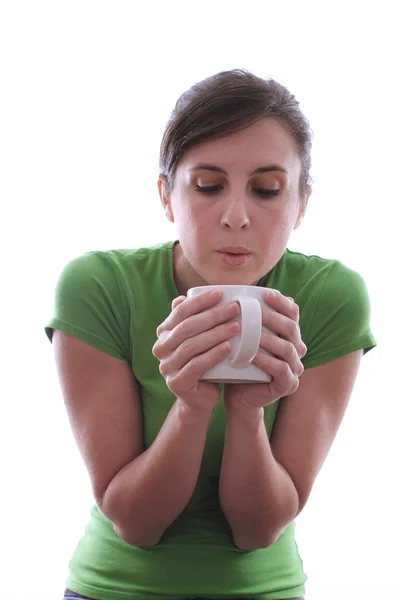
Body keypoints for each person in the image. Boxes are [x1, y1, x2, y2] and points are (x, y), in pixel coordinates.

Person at [46, 69, 376, 600]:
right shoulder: (99, 286)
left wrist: (247, 411)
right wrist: (192, 408)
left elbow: (258, 529)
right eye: (208, 186)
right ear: (167, 196)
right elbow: (135, 523)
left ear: (302, 205)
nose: (237, 217)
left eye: (267, 190)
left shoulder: (328, 297)